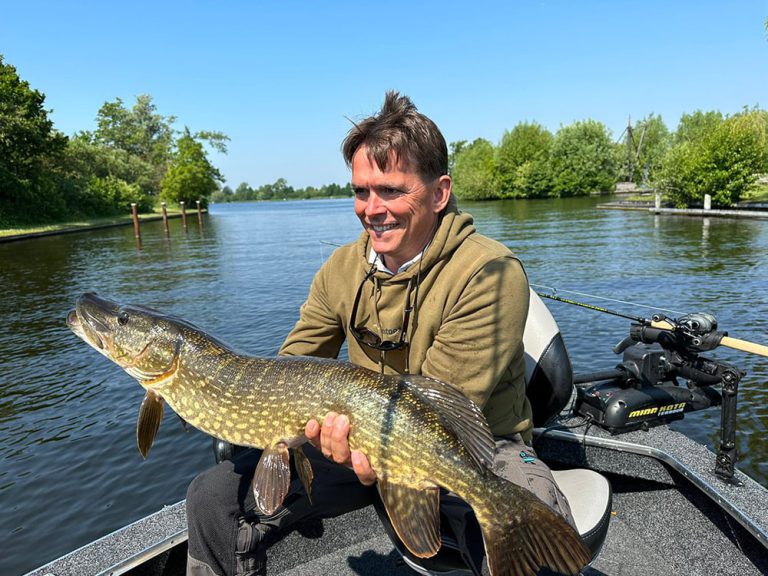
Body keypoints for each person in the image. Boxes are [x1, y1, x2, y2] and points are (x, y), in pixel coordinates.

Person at [185, 91, 574, 576]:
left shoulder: (490, 272)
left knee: (534, 547)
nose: (372, 209)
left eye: (390, 191)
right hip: (359, 436)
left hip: (477, 449)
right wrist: (205, 390)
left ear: (439, 193)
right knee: (213, 498)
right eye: (361, 191)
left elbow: (442, 411)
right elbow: (291, 365)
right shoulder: (341, 268)